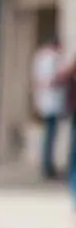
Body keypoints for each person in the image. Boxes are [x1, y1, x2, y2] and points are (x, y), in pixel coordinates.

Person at [31, 37, 64, 180]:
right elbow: (53, 79)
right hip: (51, 103)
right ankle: (47, 166)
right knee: (50, 136)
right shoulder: (51, 58)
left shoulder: (39, 57)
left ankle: (47, 164)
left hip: (46, 102)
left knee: (48, 135)